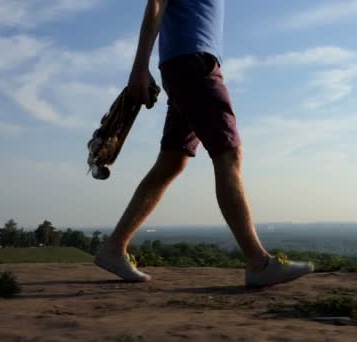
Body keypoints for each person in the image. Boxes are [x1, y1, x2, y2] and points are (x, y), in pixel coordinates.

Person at [95, 0, 314, 287]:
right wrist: (139, 67)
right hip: (194, 63)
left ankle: (114, 248)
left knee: (172, 161)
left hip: (186, 63)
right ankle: (258, 262)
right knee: (228, 154)